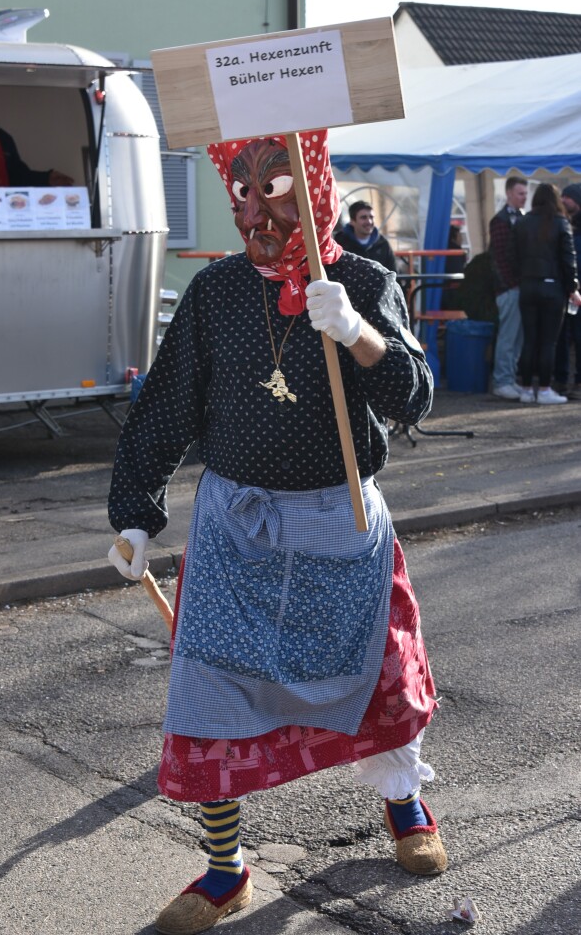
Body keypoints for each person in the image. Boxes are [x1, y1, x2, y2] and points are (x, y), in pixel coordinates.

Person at [107, 130, 447, 935]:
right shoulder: (218, 292)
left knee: (382, 683)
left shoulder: (360, 277)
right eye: (241, 190)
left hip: (341, 524)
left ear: (316, 186)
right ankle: (226, 873)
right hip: (236, 530)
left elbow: (415, 399)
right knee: (206, 694)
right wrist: (133, 512)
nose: (255, 209)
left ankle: (404, 806)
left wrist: (358, 334)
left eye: (275, 186)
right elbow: (165, 408)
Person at [508, 183, 581, 404]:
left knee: (530, 340)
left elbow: (513, 257)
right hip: (553, 288)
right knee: (549, 342)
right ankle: (546, 389)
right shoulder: (561, 223)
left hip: (528, 287)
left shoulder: (522, 223)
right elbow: (569, 260)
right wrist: (573, 289)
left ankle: (527, 389)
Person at [489, 175, 528, 399]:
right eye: (521, 193)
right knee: (508, 336)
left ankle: (509, 379)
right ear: (509, 194)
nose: (524, 198)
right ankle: (503, 380)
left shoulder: (520, 218)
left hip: (517, 286)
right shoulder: (501, 220)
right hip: (509, 288)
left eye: (525, 194)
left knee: (517, 337)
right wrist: (510, 285)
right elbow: (499, 258)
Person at [553, 183, 581, 398]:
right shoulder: (561, 224)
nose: (563, 200)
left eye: (567, 197)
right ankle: (561, 381)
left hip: (575, 290)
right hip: (565, 289)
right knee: (562, 336)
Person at [334, 199, 396, 271]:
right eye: (363, 217)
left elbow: (393, 274)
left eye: (371, 217)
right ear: (352, 221)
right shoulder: (340, 243)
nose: (369, 221)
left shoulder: (383, 244)